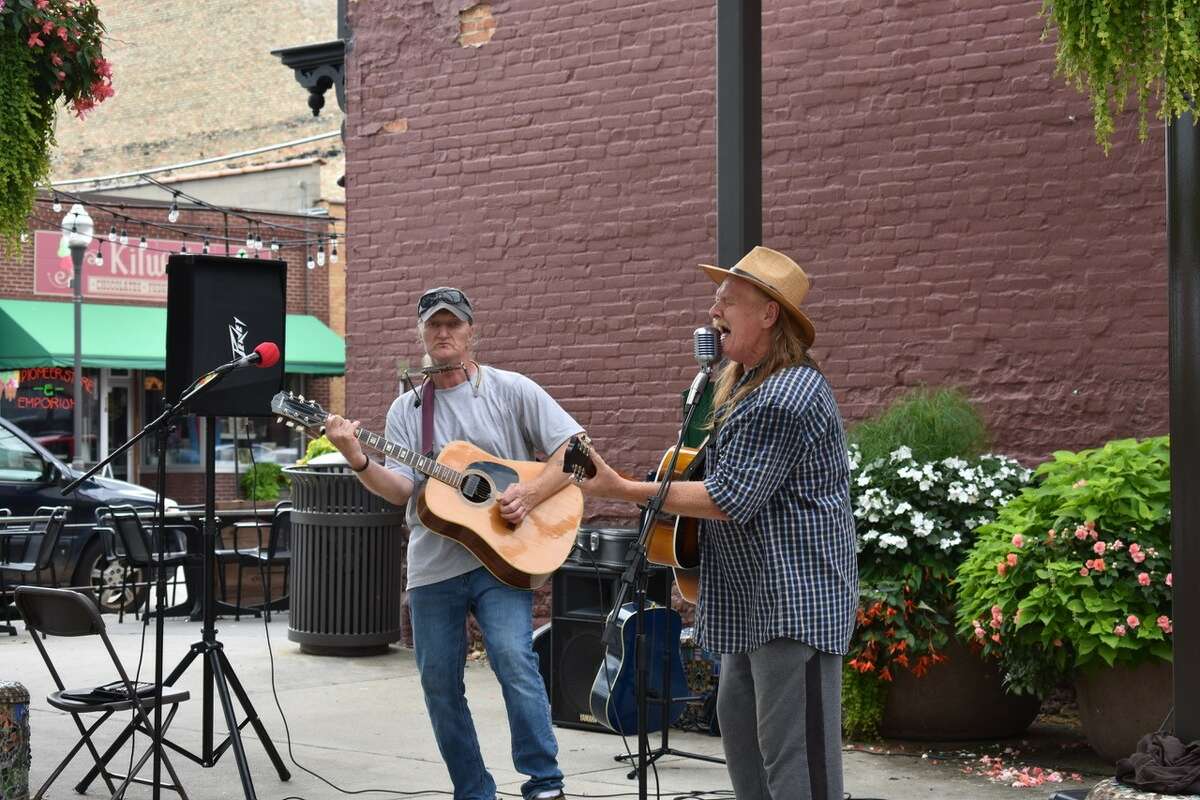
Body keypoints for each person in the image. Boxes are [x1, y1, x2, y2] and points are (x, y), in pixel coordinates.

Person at [577, 246, 858, 800]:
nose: (713, 310)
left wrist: (621, 487)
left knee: (794, 759)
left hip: (791, 603)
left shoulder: (785, 394)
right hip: (749, 602)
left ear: (769, 313)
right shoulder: (745, 387)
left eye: (728, 299)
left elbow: (730, 496)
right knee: (744, 740)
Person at [325, 286, 579, 800]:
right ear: (420, 334)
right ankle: (473, 790)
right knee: (440, 684)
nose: (443, 333)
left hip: (503, 559)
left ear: (471, 333)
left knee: (513, 659)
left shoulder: (511, 390)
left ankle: (544, 782)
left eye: (453, 324)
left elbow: (574, 451)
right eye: (433, 325)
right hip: (432, 568)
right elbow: (401, 489)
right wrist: (357, 457)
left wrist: (527, 495)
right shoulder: (407, 411)